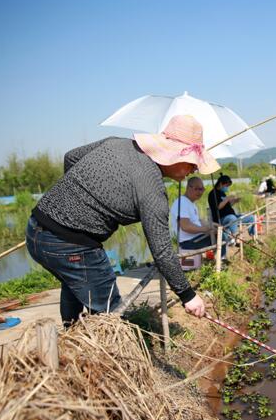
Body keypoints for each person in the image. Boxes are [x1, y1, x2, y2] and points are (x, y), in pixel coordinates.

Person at [25, 115, 220, 327]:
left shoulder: (116, 143)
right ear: (174, 156)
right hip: (70, 244)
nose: (195, 169)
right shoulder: (152, 189)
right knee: (111, 315)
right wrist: (188, 296)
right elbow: (162, 252)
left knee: (76, 285)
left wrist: (80, 194)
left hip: (36, 227)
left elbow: (71, 157)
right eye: (193, 162)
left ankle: (72, 339)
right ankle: (103, 355)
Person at [170, 177, 225, 257]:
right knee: (220, 236)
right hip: (189, 242)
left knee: (219, 232)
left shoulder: (191, 203)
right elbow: (185, 226)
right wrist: (206, 230)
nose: (200, 192)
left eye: (202, 189)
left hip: (195, 238)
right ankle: (221, 261)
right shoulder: (182, 202)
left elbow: (199, 221)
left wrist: (215, 225)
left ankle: (217, 259)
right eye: (197, 189)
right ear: (189, 187)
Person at [207, 174, 256, 242]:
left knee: (250, 217)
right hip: (221, 219)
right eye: (226, 186)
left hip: (232, 217)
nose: (227, 188)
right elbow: (218, 207)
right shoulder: (213, 194)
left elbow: (227, 205)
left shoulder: (222, 193)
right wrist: (227, 199)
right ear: (221, 184)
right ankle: (236, 239)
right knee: (232, 218)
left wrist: (235, 201)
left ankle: (253, 237)